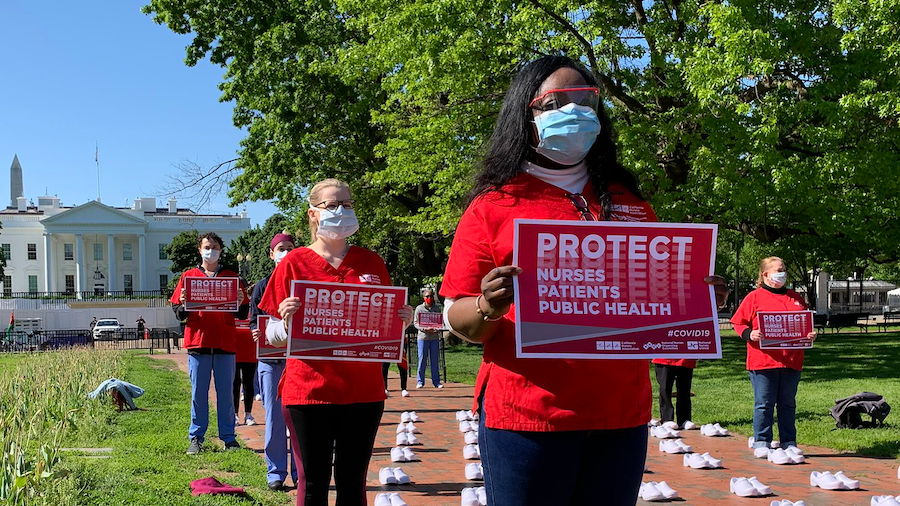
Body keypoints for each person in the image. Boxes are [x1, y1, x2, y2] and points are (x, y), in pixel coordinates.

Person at [439, 55, 729, 506]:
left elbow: (655, 305)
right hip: (528, 417)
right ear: (526, 114)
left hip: (620, 416)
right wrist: (486, 305)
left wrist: (696, 300)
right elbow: (458, 320)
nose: (574, 111)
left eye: (585, 100)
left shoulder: (627, 199)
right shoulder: (494, 205)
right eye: (556, 102)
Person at [261, 178, 413, 505]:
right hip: (309, 392)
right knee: (313, 484)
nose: (342, 210)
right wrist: (286, 325)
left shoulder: (371, 262)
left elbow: (382, 328)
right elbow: (271, 336)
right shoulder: (293, 263)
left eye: (348, 203)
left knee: (352, 482)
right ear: (313, 214)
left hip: (363, 392)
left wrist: (402, 321)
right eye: (333, 204)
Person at [171, 232, 249, 455]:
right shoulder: (189, 277)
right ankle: (196, 438)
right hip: (198, 343)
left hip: (225, 344)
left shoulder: (231, 277)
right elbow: (178, 313)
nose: (211, 250)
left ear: (221, 250)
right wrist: (185, 303)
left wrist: (242, 303)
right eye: (207, 246)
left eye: (215, 246)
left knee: (226, 394)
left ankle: (228, 438)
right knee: (198, 394)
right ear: (200, 250)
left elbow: (241, 312)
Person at [730, 256, 816, 454]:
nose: (782, 272)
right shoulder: (754, 297)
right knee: (764, 403)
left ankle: (788, 442)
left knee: (787, 403)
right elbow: (738, 323)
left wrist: (810, 334)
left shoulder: (795, 297)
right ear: (765, 274)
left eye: (783, 268)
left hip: (791, 360)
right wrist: (749, 334)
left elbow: (804, 323)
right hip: (763, 360)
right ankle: (761, 441)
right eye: (778, 269)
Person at [249, 231, 299, 491]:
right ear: (271, 254)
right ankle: (276, 472)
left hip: (298, 361)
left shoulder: (305, 282)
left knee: (300, 420)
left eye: (290, 247)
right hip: (271, 361)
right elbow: (253, 320)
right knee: (274, 419)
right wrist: (254, 331)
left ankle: (301, 473)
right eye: (281, 248)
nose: (285, 251)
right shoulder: (262, 286)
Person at [651, 357, 697, 429]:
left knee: (685, 389)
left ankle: (684, 419)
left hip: (685, 357)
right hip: (664, 357)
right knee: (665, 388)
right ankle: (667, 418)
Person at [414, 289, 443, 388]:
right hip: (423, 337)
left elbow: (440, 321)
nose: (429, 298)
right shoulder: (419, 308)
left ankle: (436, 382)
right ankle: (420, 381)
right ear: (424, 298)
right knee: (422, 360)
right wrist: (424, 329)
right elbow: (416, 323)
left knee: (435, 360)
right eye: (427, 297)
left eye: (431, 296)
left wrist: (438, 329)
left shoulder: (437, 308)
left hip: (434, 337)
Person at [232, 319, 258, 426]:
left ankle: (248, 414)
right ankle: (234, 414)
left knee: (248, 383)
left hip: (251, 349)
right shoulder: (231, 306)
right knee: (235, 383)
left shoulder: (253, 308)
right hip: (234, 348)